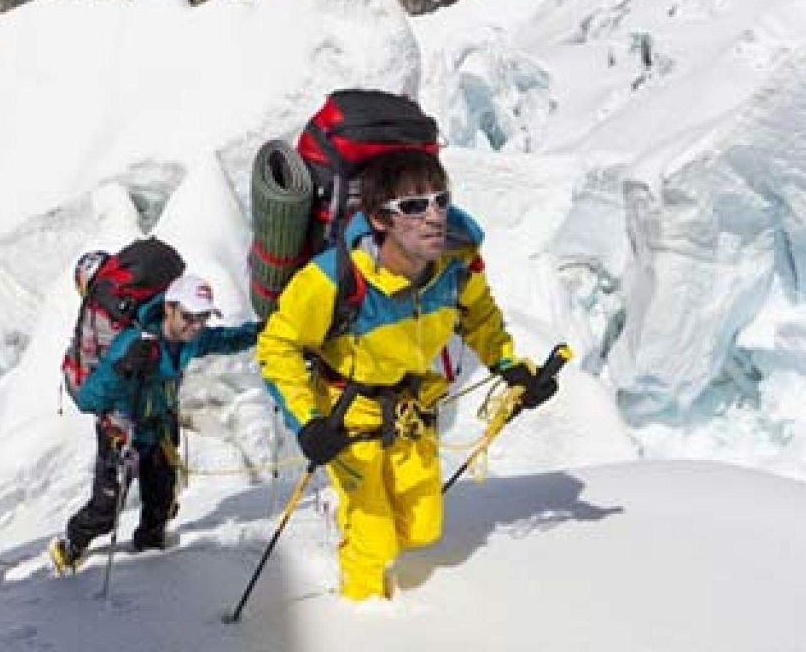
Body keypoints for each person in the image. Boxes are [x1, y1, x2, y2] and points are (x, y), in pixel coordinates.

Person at [257, 148, 558, 602]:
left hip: (410, 410)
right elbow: (276, 344)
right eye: (413, 207)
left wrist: (512, 369)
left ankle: (358, 526)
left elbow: (480, 318)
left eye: (440, 199)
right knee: (374, 539)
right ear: (380, 220)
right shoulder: (332, 280)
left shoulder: (455, 266)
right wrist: (309, 423)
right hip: (347, 415)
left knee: (421, 529)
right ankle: (361, 616)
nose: (434, 215)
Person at [48, 274, 260, 573]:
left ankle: (151, 566)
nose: (196, 325)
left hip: (160, 428)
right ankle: (71, 543)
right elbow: (89, 398)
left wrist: (264, 331)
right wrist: (123, 368)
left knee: (159, 504)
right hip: (121, 432)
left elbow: (226, 339)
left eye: (203, 317)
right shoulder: (133, 342)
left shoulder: (190, 339)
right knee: (106, 509)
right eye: (189, 316)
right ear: (169, 308)